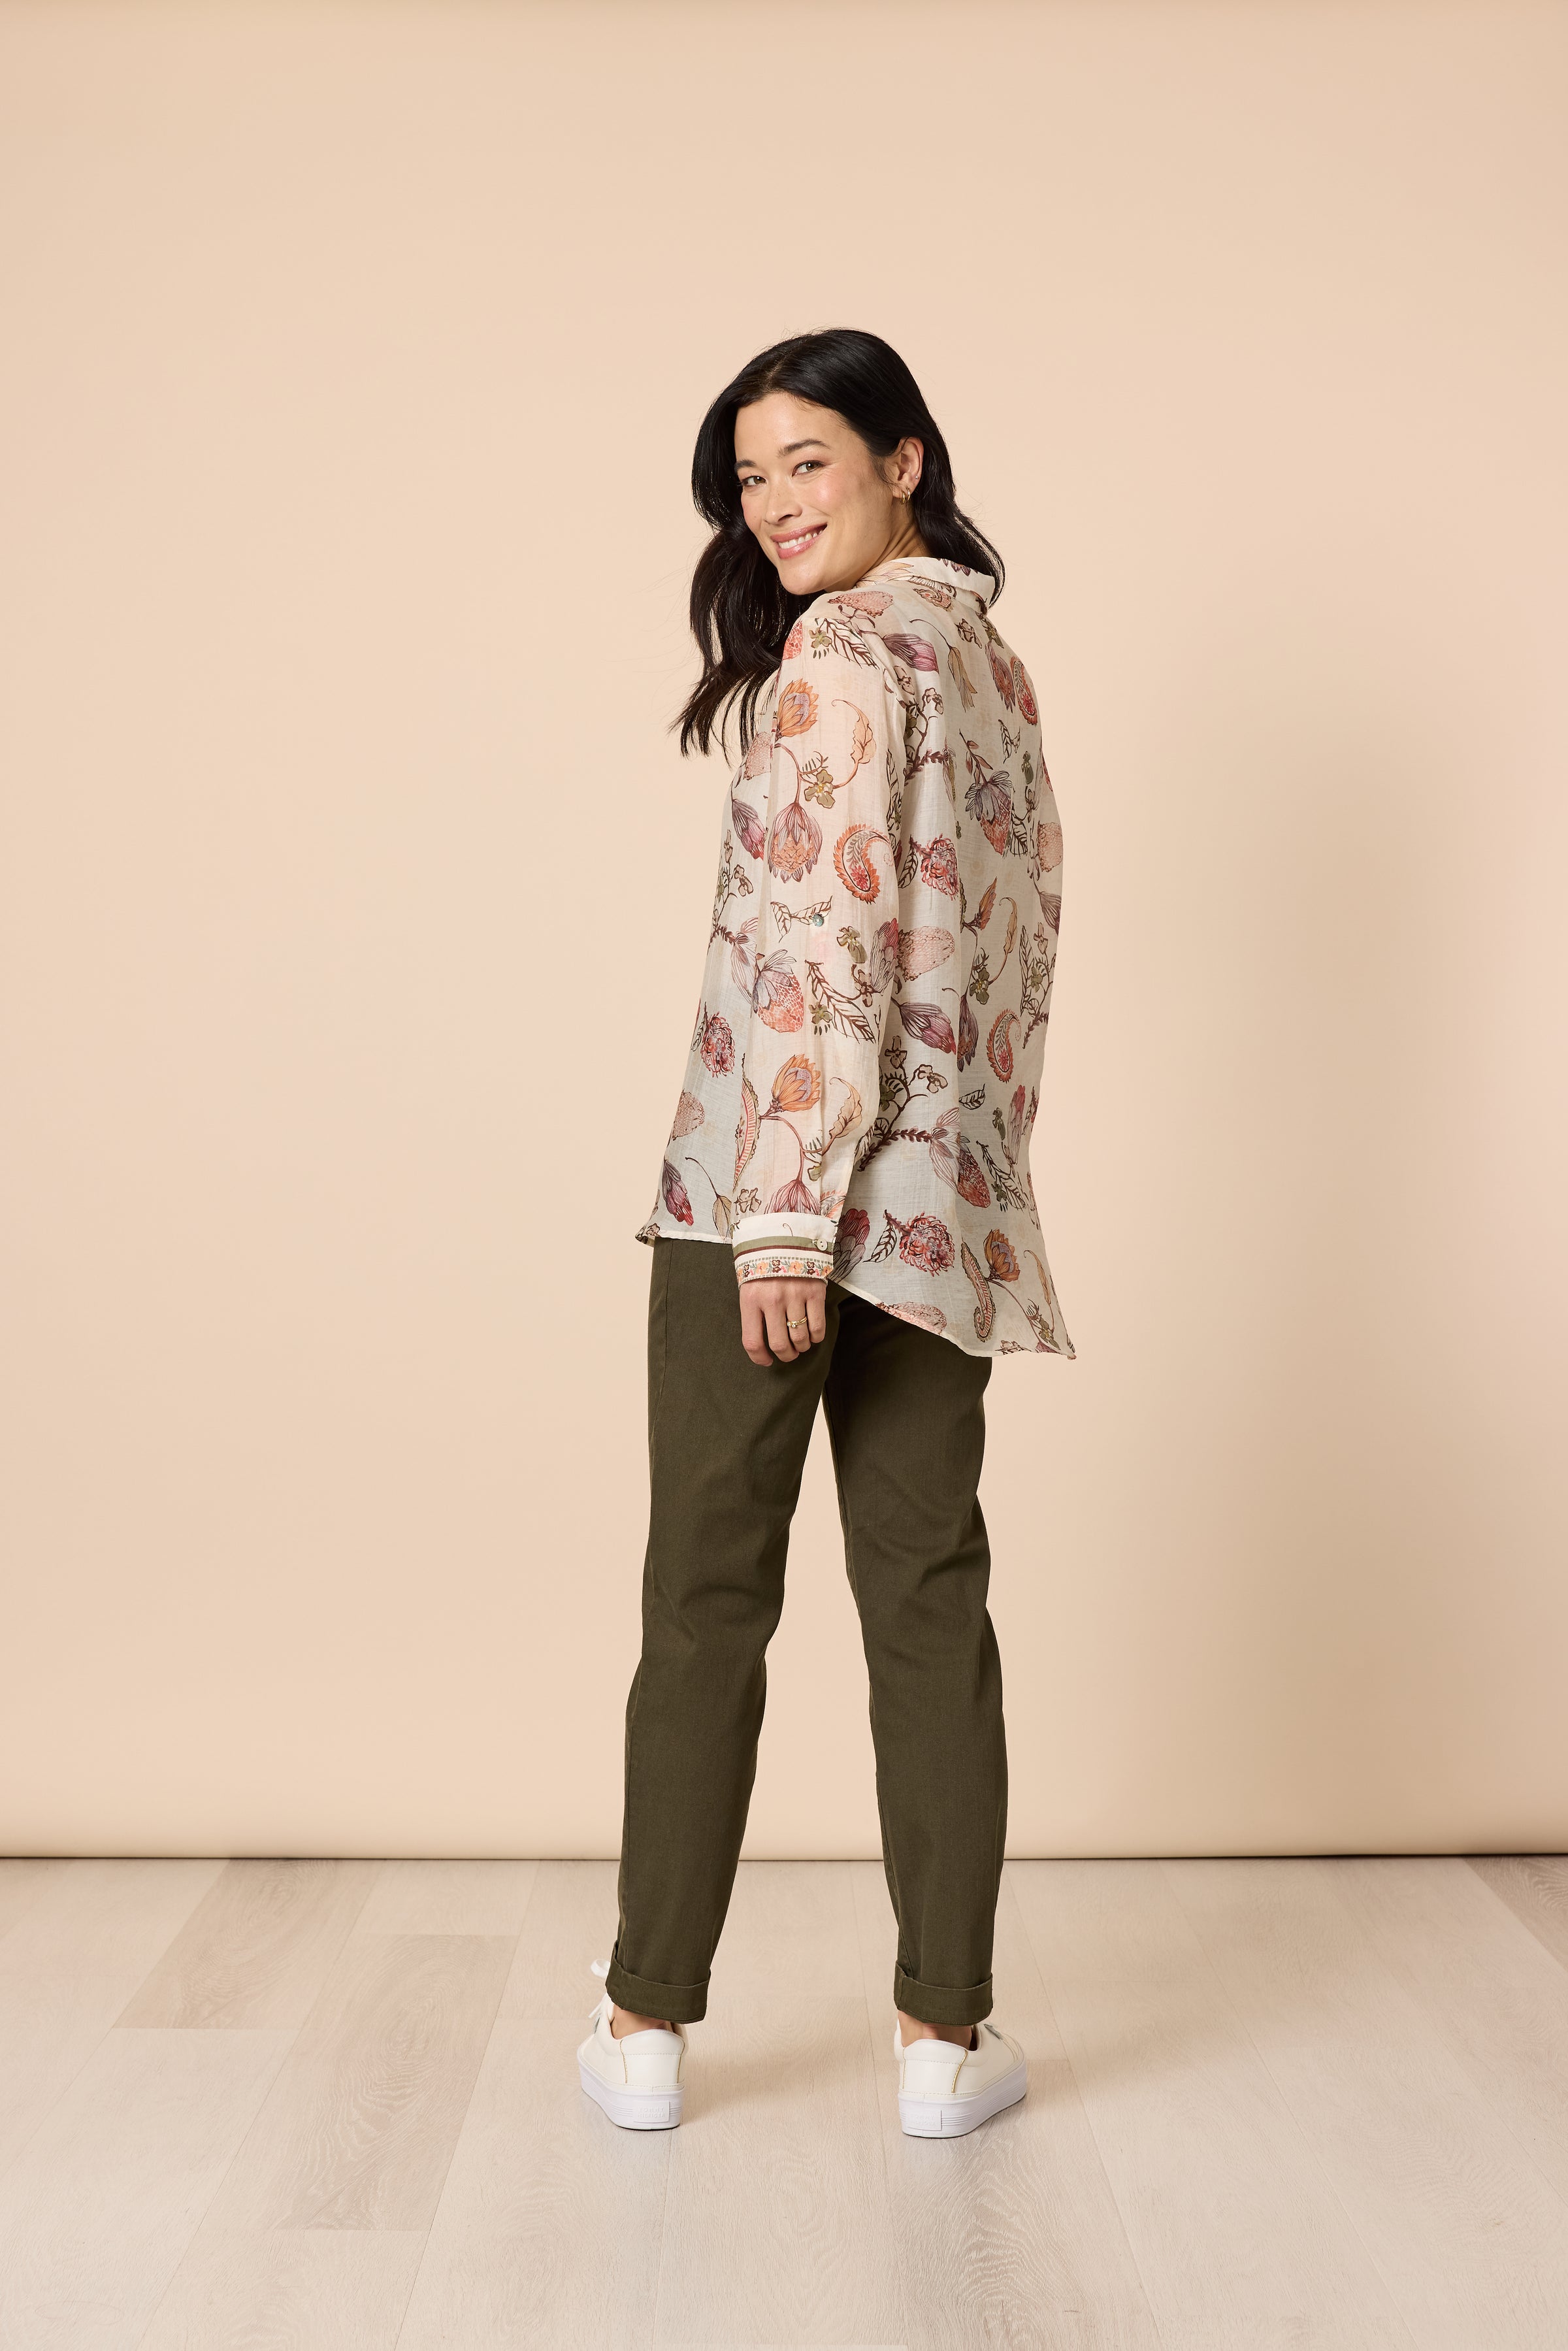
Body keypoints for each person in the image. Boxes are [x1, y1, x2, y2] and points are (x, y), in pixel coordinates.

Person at [577, 328, 1075, 2140]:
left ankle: (644, 2030)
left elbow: (819, 937)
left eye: (809, 461)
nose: (775, 504)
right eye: (750, 477)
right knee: (931, 1602)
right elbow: (1005, 975)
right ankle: (945, 2046)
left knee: (708, 1600)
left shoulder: (839, 660)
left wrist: (784, 1215)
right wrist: (947, 1184)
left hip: (762, 1210)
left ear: (903, 459)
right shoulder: (994, 669)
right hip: (939, 1219)